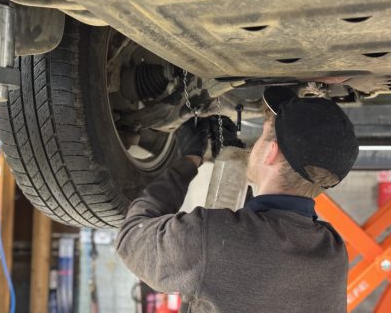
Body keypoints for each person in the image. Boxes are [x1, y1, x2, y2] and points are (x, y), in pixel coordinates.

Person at [116, 86, 359, 313]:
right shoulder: (329, 251)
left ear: (271, 153)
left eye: (262, 137)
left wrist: (188, 161)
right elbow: (252, 253)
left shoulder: (335, 255)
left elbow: (131, 238)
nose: (254, 147)